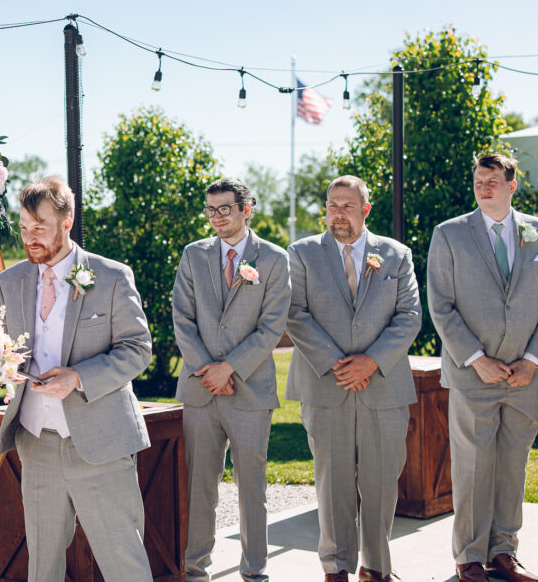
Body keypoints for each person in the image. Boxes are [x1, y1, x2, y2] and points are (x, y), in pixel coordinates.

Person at [0, 176, 154, 582]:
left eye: (40, 228)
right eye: (24, 228)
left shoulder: (112, 276)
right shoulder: (7, 282)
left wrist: (79, 377)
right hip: (36, 443)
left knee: (124, 563)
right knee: (42, 566)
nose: (29, 238)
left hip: (100, 442)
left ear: (67, 222)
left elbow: (138, 349)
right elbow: (4, 350)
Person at [285, 175, 421, 582]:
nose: (337, 213)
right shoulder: (302, 253)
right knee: (333, 485)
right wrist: (340, 364)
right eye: (331, 205)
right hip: (326, 385)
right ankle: (337, 567)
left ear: (365, 209)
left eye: (346, 205)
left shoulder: (396, 254)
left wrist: (371, 362)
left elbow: (409, 316)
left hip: (384, 385)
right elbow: (295, 313)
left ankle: (377, 567)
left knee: (382, 483)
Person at [172, 177, 291, 582]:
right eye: (211, 210)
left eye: (225, 208)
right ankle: (195, 570)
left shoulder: (274, 259)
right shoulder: (193, 255)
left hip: (250, 390)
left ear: (246, 209)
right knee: (199, 486)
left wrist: (231, 369)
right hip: (200, 390)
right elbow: (182, 319)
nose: (217, 217)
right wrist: (208, 369)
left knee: (252, 488)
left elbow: (272, 326)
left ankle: (255, 571)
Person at [427, 153, 538, 582]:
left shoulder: (535, 231)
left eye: (493, 180)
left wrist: (531, 360)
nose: (484, 187)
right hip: (474, 374)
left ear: (513, 185)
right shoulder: (450, 234)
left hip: (526, 377)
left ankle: (504, 553)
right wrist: (477, 359)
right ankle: (469, 558)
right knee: (473, 466)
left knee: (513, 465)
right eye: (478, 179)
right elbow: (441, 305)